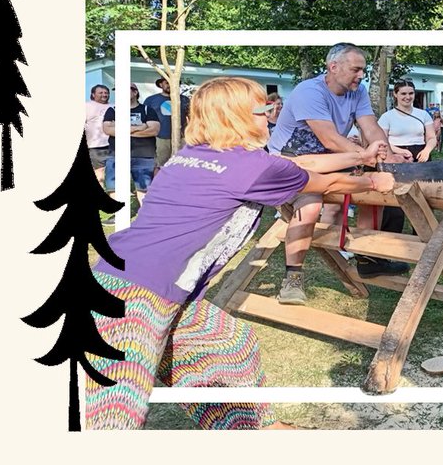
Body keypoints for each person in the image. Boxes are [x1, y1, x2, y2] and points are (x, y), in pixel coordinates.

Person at [84, 77, 396, 429]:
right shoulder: (250, 167)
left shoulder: (194, 155)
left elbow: (296, 166)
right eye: (263, 110)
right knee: (113, 415)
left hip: (127, 279)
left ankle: (253, 430)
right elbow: (325, 182)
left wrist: (359, 155)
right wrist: (372, 181)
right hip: (132, 297)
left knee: (229, 345)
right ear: (237, 117)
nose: (271, 115)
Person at [268, 43, 409, 305]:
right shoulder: (309, 92)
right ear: (333, 67)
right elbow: (330, 138)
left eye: (363, 70)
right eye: (356, 69)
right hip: (289, 163)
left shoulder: (359, 92)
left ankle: (370, 258)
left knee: (382, 185)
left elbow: (371, 127)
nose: (361, 75)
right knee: (310, 204)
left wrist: (386, 157)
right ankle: (292, 280)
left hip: (327, 161)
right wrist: (365, 155)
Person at [378, 80, 438, 235]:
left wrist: (426, 150)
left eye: (410, 93)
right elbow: (382, 141)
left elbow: (431, 137)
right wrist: (397, 152)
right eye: (403, 93)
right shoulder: (387, 117)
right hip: (395, 156)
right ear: (396, 94)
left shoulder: (423, 114)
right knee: (395, 199)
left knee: (422, 197)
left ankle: (422, 235)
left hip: (420, 155)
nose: (407, 97)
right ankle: (391, 235)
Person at [102, 83, 159, 213]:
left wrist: (121, 129)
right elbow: (107, 129)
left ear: (135, 92)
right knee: (114, 186)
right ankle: (119, 214)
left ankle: (146, 215)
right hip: (117, 154)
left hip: (143, 154)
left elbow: (154, 130)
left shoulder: (147, 110)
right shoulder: (113, 110)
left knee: (144, 187)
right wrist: (139, 127)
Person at [142, 77, 191, 175]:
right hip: (161, 137)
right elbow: (145, 119)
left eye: (173, 83)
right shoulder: (151, 100)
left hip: (181, 137)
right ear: (161, 85)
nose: (170, 85)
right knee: (161, 164)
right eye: (167, 83)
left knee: (181, 163)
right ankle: (157, 187)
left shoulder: (184, 100)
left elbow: (190, 117)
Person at [85, 84, 111, 187]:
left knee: (114, 169)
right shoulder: (87, 106)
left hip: (113, 143)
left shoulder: (113, 105)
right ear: (93, 94)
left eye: (106, 93)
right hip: (96, 145)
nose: (104, 95)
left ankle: (113, 191)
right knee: (99, 171)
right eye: (101, 93)